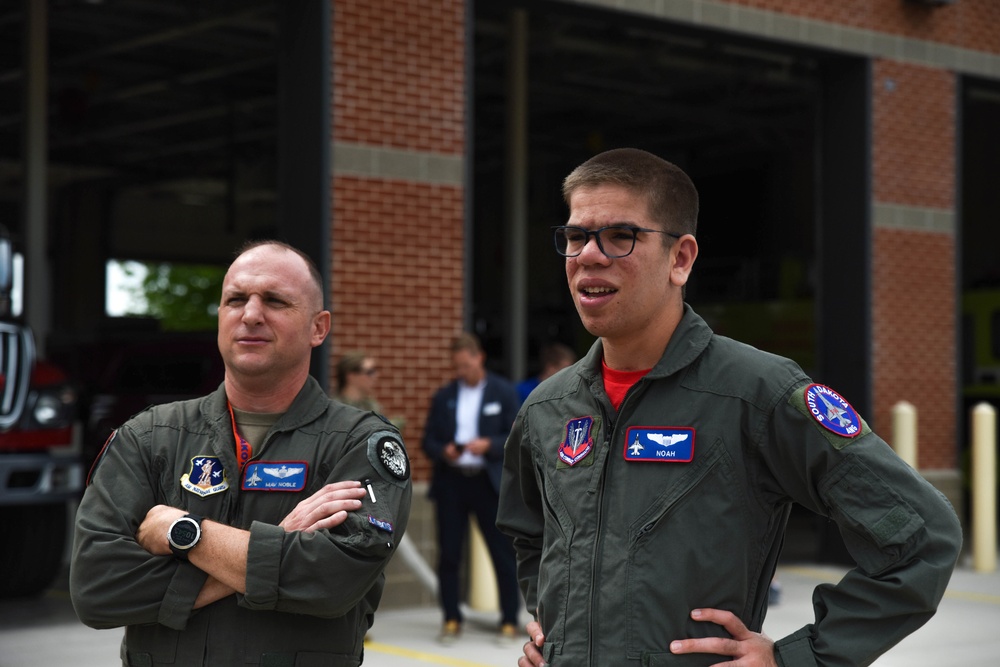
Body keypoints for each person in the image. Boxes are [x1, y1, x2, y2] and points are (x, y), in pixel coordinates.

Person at [497, 148, 962, 667]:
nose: (588, 255)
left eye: (620, 236)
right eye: (576, 236)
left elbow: (923, 538)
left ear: (681, 258)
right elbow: (529, 534)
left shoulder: (757, 393)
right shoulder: (546, 408)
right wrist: (555, 632)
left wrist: (798, 658)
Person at [71, 240, 412, 666]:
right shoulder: (148, 437)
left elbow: (329, 582)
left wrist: (186, 533)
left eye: (274, 300)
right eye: (235, 299)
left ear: (318, 327)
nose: (251, 314)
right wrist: (276, 546)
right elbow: (97, 589)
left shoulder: (359, 444)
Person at [422, 332, 522, 644]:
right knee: (449, 554)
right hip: (452, 482)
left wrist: (489, 445)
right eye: (457, 367)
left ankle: (508, 618)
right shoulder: (444, 396)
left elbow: (517, 435)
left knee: (501, 552)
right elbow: (428, 441)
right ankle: (451, 618)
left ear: (479, 358)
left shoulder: (503, 392)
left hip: (486, 482)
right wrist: (444, 451)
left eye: (466, 365)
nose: (461, 371)